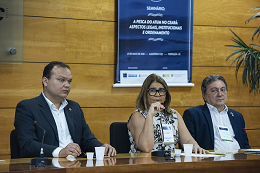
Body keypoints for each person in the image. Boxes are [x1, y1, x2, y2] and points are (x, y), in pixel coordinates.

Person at [14, 61, 116, 158]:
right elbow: (27, 145)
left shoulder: (74, 107)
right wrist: (60, 152)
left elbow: (87, 140)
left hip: (77, 164)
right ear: (45, 81)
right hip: (48, 166)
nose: (67, 85)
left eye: (69, 81)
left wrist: (101, 148)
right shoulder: (27, 107)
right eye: (61, 80)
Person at [127, 74, 207, 154]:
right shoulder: (138, 116)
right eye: (152, 90)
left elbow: (187, 140)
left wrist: (195, 146)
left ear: (166, 96)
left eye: (161, 91)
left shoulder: (174, 115)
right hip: (145, 162)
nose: (157, 94)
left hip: (170, 161)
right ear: (145, 94)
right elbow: (146, 147)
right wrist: (150, 115)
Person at [183, 74, 250, 150]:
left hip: (238, 159)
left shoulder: (237, 116)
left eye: (223, 90)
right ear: (204, 95)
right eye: (214, 91)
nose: (220, 94)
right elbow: (187, 145)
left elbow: (245, 145)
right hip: (210, 160)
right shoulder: (193, 114)